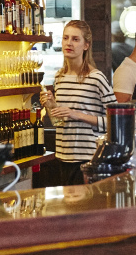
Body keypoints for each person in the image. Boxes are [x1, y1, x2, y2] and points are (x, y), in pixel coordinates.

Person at [39, 20, 116, 185]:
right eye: (65, 38)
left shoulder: (96, 78)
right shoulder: (59, 77)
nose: (69, 43)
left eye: (75, 39)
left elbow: (115, 121)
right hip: (63, 156)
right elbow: (60, 121)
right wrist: (51, 105)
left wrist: (77, 114)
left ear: (86, 45)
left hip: (89, 159)